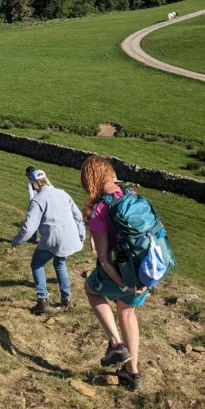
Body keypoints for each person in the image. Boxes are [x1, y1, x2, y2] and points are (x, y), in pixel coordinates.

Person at [81, 155, 148, 392]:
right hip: (143, 270)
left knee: (91, 290)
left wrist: (125, 285)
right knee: (127, 313)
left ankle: (116, 344)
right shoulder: (133, 197)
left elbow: (103, 259)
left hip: (121, 272)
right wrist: (140, 283)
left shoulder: (101, 209)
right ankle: (133, 372)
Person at [12, 169, 85, 315]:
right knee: (60, 263)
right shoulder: (63, 193)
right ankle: (66, 299)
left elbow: (28, 227)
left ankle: (42, 301)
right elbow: (78, 216)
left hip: (53, 240)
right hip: (69, 237)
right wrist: (81, 234)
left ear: (34, 184)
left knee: (37, 264)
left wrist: (16, 241)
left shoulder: (38, 200)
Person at [25, 165, 40, 244]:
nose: (28, 176)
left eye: (28, 175)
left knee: (33, 220)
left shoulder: (31, 183)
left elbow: (31, 194)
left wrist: (31, 199)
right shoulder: (41, 180)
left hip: (35, 203)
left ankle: (35, 238)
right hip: (42, 202)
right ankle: (35, 238)